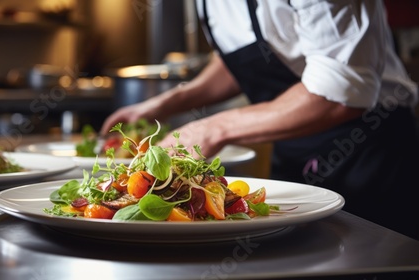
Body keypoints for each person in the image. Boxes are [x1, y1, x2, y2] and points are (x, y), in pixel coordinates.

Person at [100, 0, 419, 239]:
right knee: (294, 260)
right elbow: (244, 59)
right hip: (294, 150)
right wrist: (164, 104)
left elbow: (342, 88)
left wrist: (212, 128)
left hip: (371, 151)